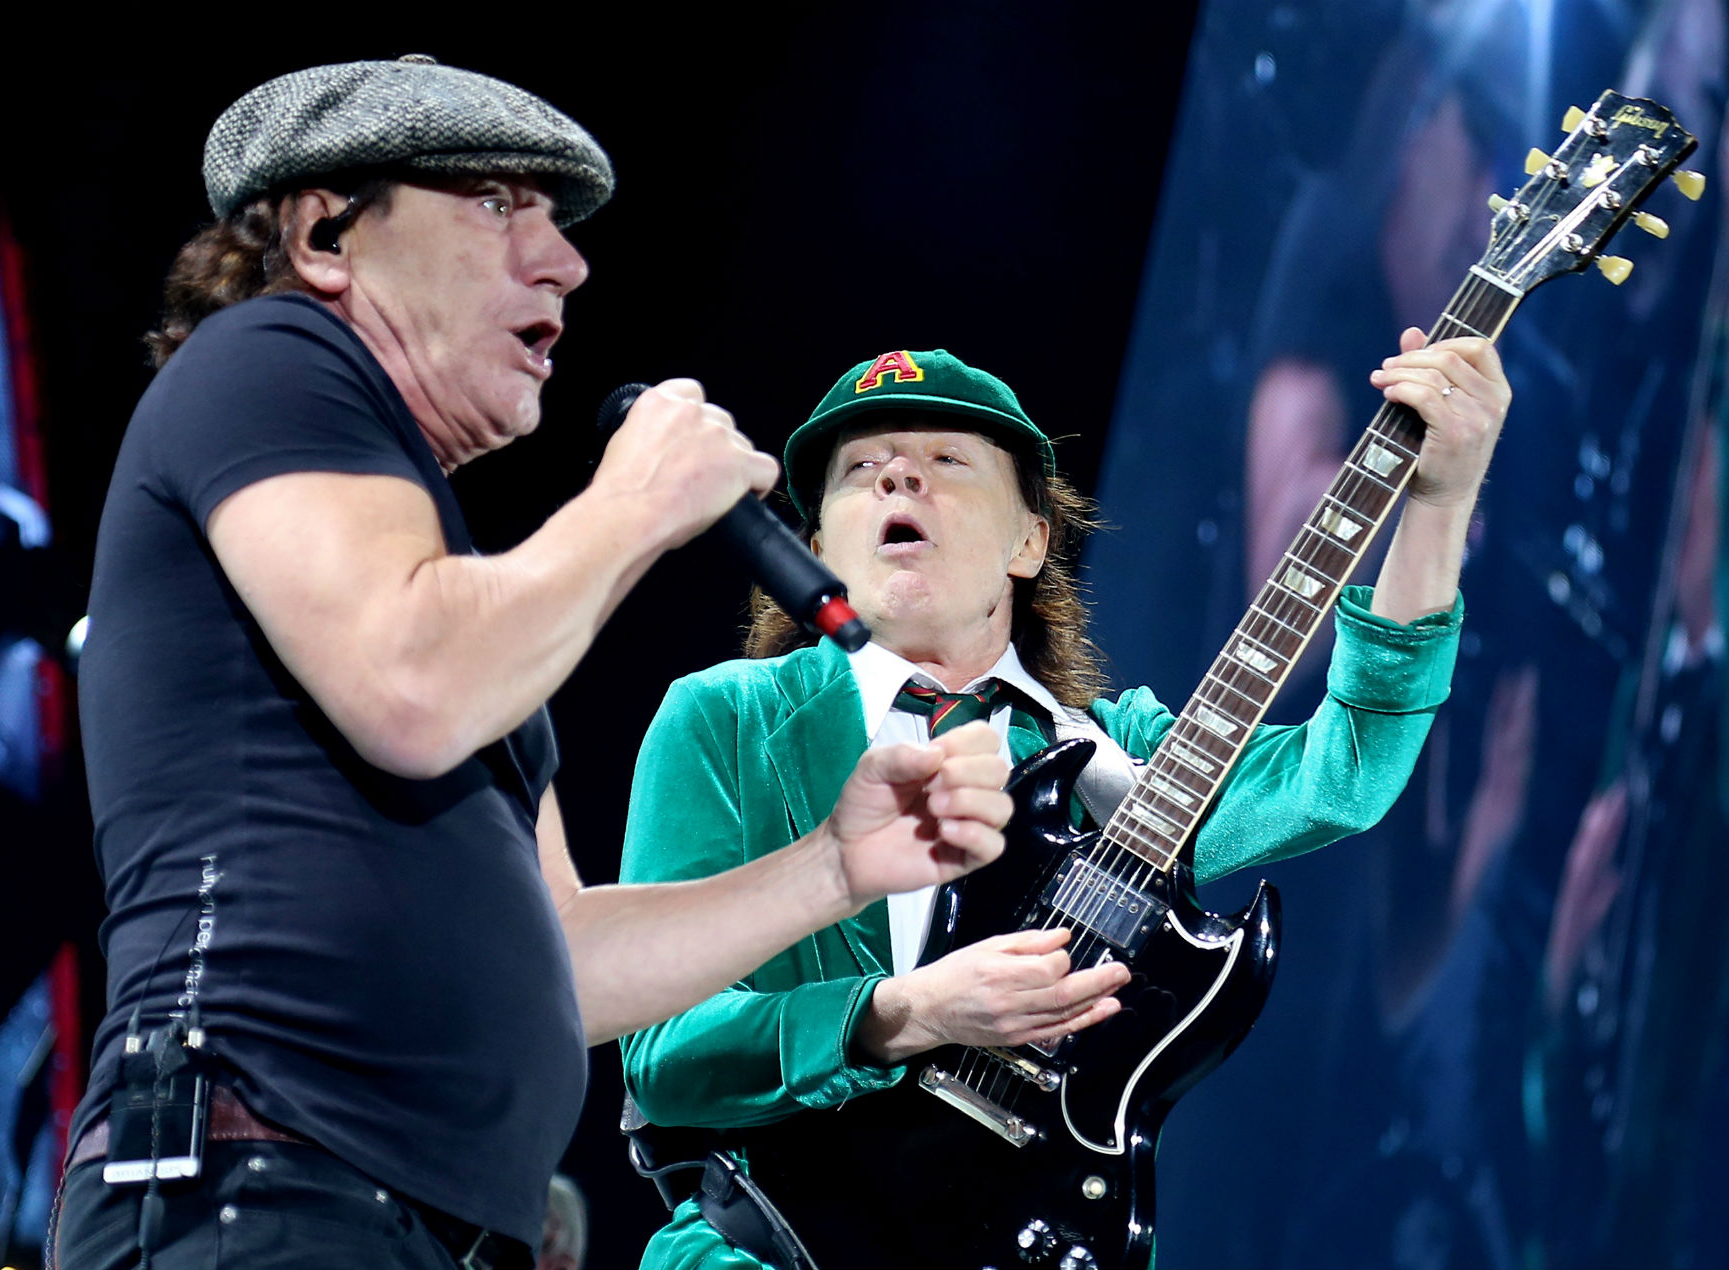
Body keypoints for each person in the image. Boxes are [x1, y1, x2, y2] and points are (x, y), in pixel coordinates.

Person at [52, 59, 1014, 1270]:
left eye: (555, 220)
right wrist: (635, 502)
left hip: (400, 1218)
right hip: (262, 1182)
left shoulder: (459, 598)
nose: (564, 262)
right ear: (326, 233)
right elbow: (413, 688)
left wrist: (833, 866)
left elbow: (565, 959)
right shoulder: (265, 358)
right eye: (497, 203)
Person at [618, 342, 1510, 1268]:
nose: (897, 477)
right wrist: (908, 1011)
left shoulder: (1119, 762)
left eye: (946, 459)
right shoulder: (726, 720)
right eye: (860, 469)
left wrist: (1440, 502)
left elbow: (1345, 771)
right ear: (816, 552)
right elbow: (665, 1055)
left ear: (1030, 543)